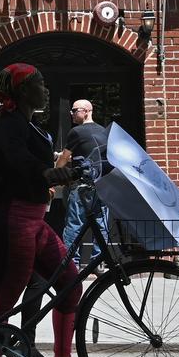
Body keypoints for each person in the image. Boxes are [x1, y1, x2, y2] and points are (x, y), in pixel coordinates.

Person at [0, 63, 98, 357]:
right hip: (11, 217)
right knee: (5, 296)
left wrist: (62, 171)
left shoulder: (28, 124)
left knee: (71, 284)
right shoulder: (8, 125)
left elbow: (35, 165)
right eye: (39, 83)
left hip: (33, 219)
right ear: (21, 91)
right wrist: (51, 175)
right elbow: (18, 164)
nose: (45, 89)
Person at [62, 100, 110, 266]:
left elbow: (64, 157)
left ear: (87, 111)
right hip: (101, 184)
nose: (72, 113)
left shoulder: (76, 131)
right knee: (101, 224)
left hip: (81, 186)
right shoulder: (103, 131)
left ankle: (70, 264)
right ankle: (98, 263)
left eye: (75, 110)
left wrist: (55, 174)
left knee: (75, 224)